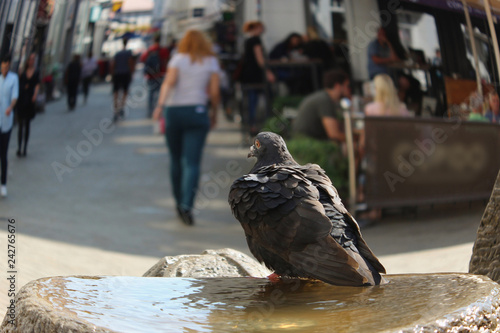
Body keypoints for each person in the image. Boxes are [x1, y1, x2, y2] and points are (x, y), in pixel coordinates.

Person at [152, 30, 220, 226]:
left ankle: (177, 201)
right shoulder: (211, 61)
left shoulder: (178, 59)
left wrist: (160, 106)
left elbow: (169, 83)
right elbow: (214, 92)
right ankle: (187, 205)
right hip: (198, 112)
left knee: (175, 159)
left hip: (174, 112)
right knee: (192, 162)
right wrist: (214, 112)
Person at [293, 69, 350, 142]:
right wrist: (355, 139)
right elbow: (334, 134)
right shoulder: (325, 100)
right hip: (308, 142)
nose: (349, 90)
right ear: (338, 86)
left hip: (305, 139)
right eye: (347, 86)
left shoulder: (325, 97)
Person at [240, 20, 275, 135]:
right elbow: (259, 58)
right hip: (256, 74)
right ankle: (264, 123)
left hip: (248, 74)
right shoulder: (256, 40)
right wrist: (267, 72)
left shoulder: (247, 40)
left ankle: (251, 125)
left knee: (251, 100)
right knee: (266, 96)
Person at [0, 55, 19, 197]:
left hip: (6, 120)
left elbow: (15, 96)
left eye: (7, 67)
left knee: (3, 153)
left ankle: (3, 184)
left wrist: (10, 107)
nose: (4, 70)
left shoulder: (14, 78)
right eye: (3, 67)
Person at [140, 34, 170, 118]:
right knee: (161, 94)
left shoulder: (149, 50)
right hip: (161, 74)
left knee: (151, 94)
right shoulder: (163, 50)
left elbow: (143, 59)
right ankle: (159, 111)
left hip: (151, 75)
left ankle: (150, 111)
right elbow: (166, 61)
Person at [16, 53, 40, 157]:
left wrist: (35, 95)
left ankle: (25, 147)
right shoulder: (22, 72)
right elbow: (19, 84)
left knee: (27, 124)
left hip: (30, 99)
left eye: (33, 59)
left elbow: (37, 85)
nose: (31, 61)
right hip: (22, 99)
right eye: (30, 59)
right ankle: (19, 147)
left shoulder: (36, 72)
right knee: (21, 125)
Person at [111, 38, 135, 122]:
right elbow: (130, 63)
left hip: (117, 74)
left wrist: (112, 74)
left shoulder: (118, 53)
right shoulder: (128, 53)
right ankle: (121, 107)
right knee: (125, 92)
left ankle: (116, 109)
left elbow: (113, 64)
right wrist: (132, 73)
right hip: (125, 74)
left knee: (116, 93)